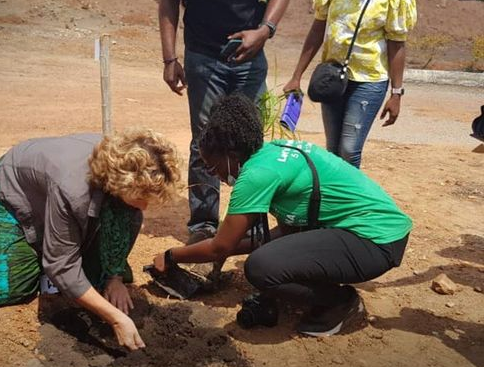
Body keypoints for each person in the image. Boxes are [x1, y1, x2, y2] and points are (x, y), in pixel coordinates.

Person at [153, 94, 412, 337]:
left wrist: (170, 255)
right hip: (376, 231)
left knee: (260, 268)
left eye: (214, 168)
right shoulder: (273, 152)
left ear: (231, 156)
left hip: (374, 240)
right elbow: (281, 233)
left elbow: (220, 246)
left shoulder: (256, 175)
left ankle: (339, 303)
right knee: (273, 254)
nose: (217, 177)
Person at [159, 0, 301, 243]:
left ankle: (250, 221)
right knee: (204, 138)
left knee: (250, 140)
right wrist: (169, 57)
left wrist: (264, 31)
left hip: (250, 54)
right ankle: (203, 224)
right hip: (203, 54)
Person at [0, 130, 181, 351]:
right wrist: (116, 319)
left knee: (97, 277)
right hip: (11, 193)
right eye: (141, 198)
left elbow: (128, 221)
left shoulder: (123, 186)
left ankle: (55, 246)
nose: (146, 206)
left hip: (62, 193)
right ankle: (39, 249)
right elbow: (62, 267)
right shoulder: (72, 189)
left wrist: (115, 277)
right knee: (3, 290)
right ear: (121, 184)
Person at [284, 0, 417, 168]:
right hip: (333, 76)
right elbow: (317, 30)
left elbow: (397, 44)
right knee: (333, 148)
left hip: (369, 81)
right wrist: (296, 75)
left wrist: (396, 93)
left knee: (349, 149)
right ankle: (332, 202)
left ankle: (349, 204)